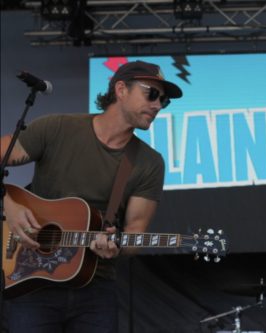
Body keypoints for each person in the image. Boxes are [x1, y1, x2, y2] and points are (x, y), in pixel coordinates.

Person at [1, 60, 182, 332]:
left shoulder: (149, 163)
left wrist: (116, 246)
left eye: (164, 100)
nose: (158, 105)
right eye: (151, 93)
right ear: (121, 89)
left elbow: (134, 234)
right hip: (30, 281)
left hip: (95, 289)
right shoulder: (57, 129)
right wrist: (10, 208)